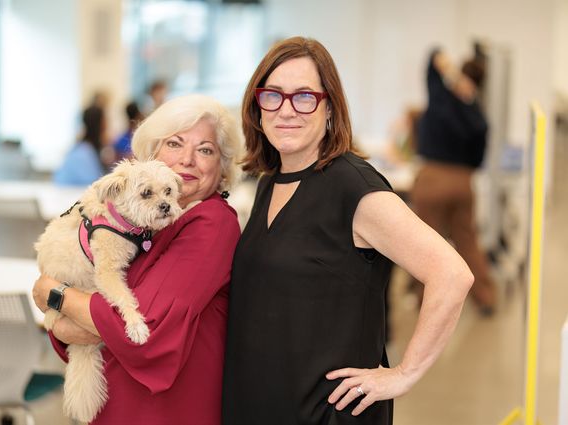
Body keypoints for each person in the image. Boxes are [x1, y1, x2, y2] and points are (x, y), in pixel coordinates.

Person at [222, 36, 473, 425]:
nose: (286, 110)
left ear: (329, 108)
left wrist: (404, 374)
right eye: (272, 95)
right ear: (257, 107)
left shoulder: (352, 186)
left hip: (327, 413)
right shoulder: (270, 181)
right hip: (265, 405)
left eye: (304, 96)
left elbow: (452, 274)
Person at [33, 94, 243, 425]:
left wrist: (51, 293)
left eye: (205, 150)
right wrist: (72, 317)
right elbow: (76, 325)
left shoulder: (212, 224)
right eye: (174, 143)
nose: (187, 159)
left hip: (165, 411)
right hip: (121, 403)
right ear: (152, 154)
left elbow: (143, 334)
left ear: (222, 167)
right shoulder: (142, 220)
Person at [411, 47, 496, 314]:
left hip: (432, 179)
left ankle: (425, 301)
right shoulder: (477, 115)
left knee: (425, 245)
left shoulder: (441, 97)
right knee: (467, 241)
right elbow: (480, 159)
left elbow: (432, 60)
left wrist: (450, 70)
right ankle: (486, 298)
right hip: (463, 183)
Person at [53, 105, 107, 186]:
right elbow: (96, 187)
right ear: (100, 125)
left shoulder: (85, 148)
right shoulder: (83, 153)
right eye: (105, 122)